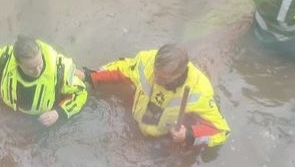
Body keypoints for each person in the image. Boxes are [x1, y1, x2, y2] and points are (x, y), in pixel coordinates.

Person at [81, 44, 231, 148]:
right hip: (137, 119)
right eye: (155, 73)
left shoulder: (199, 92)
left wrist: (189, 135)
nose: (156, 79)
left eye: (163, 78)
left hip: (164, 138)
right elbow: (123, 68)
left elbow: (221, 130)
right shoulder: (147, 60)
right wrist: (90, 76)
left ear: (179, 74)